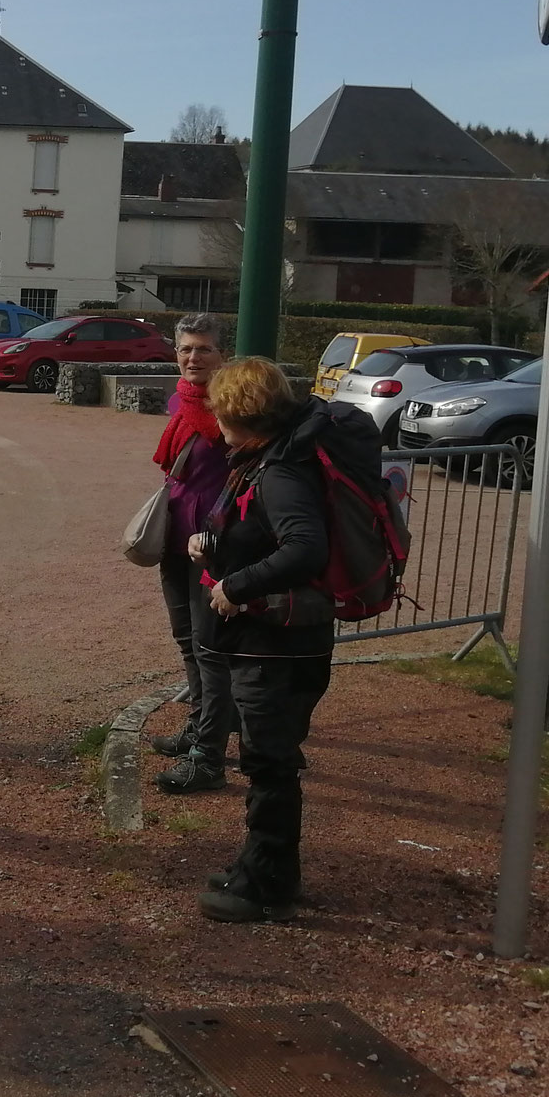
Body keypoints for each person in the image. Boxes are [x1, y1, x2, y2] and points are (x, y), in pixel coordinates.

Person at [189, 358, 335, 923]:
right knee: (266, 757)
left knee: (270, 761)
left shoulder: (279, 471)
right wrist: (219, 549)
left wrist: (234, 583)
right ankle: (262, 867)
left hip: (277, 647)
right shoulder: (267, 460)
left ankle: (266, 883)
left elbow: (304, 548)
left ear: (238, 413)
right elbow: (269, 537)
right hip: (270, 643)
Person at [147, 314, 235, 794]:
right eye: (185, 349)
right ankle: (200, 728)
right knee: (188, 640)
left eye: (203, 349)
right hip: (176, 539)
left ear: (223, 355)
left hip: (213, 547)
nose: (192, 358)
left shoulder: (232, 406)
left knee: (211, 650)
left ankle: (209, 756)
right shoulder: (181, 401)